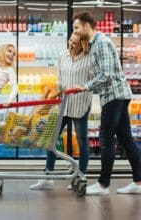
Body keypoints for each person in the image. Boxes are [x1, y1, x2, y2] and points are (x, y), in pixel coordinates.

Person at [72, 11, 141, 195]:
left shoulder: (101, 43)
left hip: (114, 95)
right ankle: (139, 181)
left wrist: (85, 87)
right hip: (115, 95)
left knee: (106, 139)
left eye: (76, 27)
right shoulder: (93, 45)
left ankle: (103, 185)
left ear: (87, 26)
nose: (75, 31)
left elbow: (106, 75)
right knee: (125, 139)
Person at [30, 33, 92, 190]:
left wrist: (83, 88)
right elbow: (59, 80)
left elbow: (93, 81)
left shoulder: (88, 58)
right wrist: (51, 97)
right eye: (70, 41)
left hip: (80, 103)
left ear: (83, 45)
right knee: (52, 139)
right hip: (62, 104)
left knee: (82, 141)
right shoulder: (62, 56)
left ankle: (81, 176)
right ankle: (48, 176)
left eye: (75, 43)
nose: (71, 44)